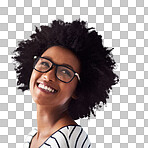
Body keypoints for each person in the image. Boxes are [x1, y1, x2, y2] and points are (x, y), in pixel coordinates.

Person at [13, 19, 119, 148]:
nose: (48, 75)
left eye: (64, 72)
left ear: (77, 90)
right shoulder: (33, 136)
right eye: (45, 63)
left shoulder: (69, 138)